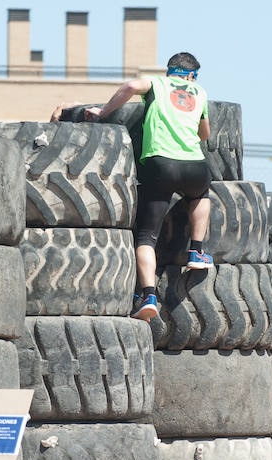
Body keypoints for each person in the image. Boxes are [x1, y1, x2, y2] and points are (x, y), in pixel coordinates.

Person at [84, 51, 213, 321]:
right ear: (191, 75)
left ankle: (148, 296)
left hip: (161, 164)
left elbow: (131, 86)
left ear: (170, 71)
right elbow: (205, 134)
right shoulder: (199, 91)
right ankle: (197, 250)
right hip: (194, 166)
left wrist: (103, 111)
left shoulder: (156, 83)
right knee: (201, 195)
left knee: (146, 237)